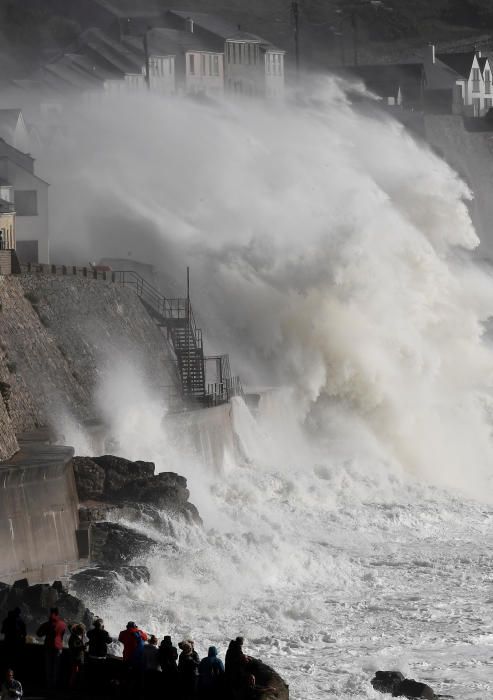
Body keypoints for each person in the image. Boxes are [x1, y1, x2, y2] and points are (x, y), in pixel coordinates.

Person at [36, 608, 67, 692]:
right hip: (58, 647)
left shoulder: (47, 624)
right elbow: (63, 634)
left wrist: (46, 633)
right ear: (58, 614)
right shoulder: (63, 624)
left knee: (49, 667)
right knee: (56, 667)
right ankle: (55, 685)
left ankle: (49, 686)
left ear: (51, 614)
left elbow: (38, 634)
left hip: (48, 647)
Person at [68, 624, 86, 689]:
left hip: (79, 656)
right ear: (78, 631)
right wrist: (82, 647)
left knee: (77, 672)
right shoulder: (73, 637)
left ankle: (75, 686)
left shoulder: (79, 635)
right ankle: (72, 686)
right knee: (74, 672)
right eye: (82, 632)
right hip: (75, 657)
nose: (83, 633)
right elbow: (73, 648)